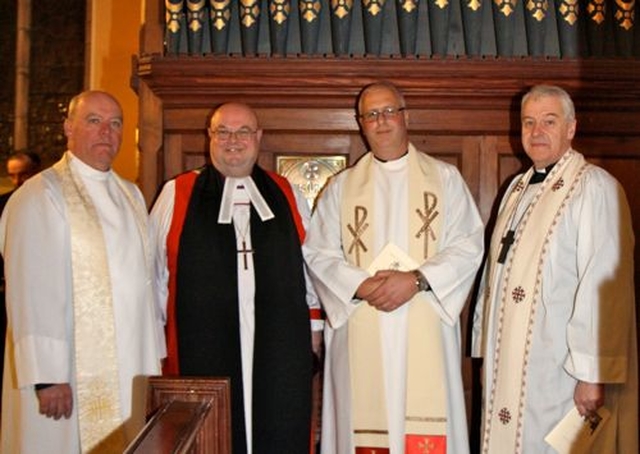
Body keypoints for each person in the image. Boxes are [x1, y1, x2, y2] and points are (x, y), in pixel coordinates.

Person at [303, 81, 484, 453]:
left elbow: (468, 245)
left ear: (406, 117)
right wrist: (359, 285)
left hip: (425, 321)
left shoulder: (444, 178)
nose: (381, 121)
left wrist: (417, 280)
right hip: (358, 322)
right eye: (371, 115)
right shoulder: (341, 187)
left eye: (389, 112)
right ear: (360, 124)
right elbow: (318, 252)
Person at [472, 85, 638, 453]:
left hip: (561, 369)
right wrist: (487, 353)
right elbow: (493, 278)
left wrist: (592, 374)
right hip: (510, 365)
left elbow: (603, 285)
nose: (536, 132)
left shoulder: (595, 188)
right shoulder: (516, 188)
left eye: (549, 121)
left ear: (571, 128)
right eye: (528, 123)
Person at [150, 102, 322, 454]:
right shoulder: (178, 194)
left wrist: (315, 332)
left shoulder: (286, 192)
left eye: (243, 131)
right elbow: (153, 275)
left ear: (258, 137)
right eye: (223, 131)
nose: (234, 140)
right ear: (209, 137)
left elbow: (310, 270)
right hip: (201, 340)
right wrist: (157, 342)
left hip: (279, 342)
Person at [0, 90, 164, 453]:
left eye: (115, 123)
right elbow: (31, 289)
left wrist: (154, 354)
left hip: (130, 363)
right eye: (94, 121)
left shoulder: (130, 194)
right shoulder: (41, 196)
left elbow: (144, 282)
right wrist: (47, 377)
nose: (106, 131)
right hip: (66, 374)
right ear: (68, 127)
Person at [0, 150, 41, 405]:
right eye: (12, 175)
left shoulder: (46, 200)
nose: (17, 181)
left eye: (23, 174)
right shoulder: (3, 203)